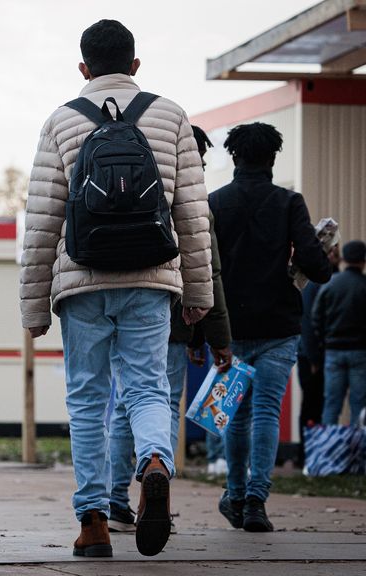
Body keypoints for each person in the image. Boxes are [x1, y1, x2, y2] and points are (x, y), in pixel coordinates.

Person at [20, 19, 213, 558]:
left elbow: (42, 218)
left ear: (82, 68)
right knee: (148, 388)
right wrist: (199, 293)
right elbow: (193, 214)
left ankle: (94, 523)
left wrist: (34, 306)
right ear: (135, 65)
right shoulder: (171, 116)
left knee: (87, 397)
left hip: (81, 281)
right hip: (152, 278)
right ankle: (153, 461)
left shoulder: (61, 121)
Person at [107, 125, 231, 532]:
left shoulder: (134, 186)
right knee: (159, 406)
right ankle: (152, 492)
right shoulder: (195, 203)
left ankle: (112, 496)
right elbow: (206, 273)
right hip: (174, 321)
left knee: (123, 405)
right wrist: (216, 338)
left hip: (116, 310)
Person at [210, 122, 331, 533]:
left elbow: (204, 268)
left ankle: (237, 495)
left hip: (230, 328)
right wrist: (320, 254)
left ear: (234, 157)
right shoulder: (289, 202)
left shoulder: (215, 203)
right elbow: (317, 267)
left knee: (234, 415)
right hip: (279, 324)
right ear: (273, 158)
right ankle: (257, 500)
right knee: (265, 411)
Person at [314, 240, 366, 425]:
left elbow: (316, 317)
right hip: (360, 352)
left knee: (331, 404)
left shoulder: (331, 284)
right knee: (359, 404)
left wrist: (323, 342)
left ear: (344, 259)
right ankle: (358, 450)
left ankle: (328, 451)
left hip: (333, 351)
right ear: (363, 260)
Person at [298, 243, 341, 453]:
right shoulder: (316, 281)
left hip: (325, 352)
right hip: (311, 354)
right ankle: (309, 452)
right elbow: (307, 321)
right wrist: (313, 358)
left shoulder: (334, 280)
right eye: (331, 251)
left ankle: (318, 451)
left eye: (337, 251)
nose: (334, 254)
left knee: (322, 402)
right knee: (311, 403)